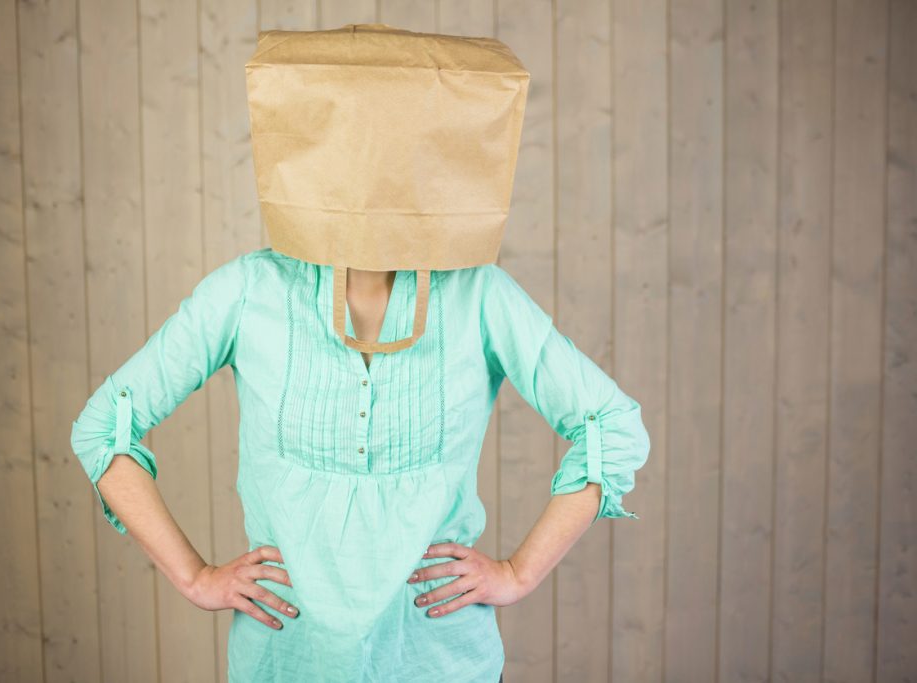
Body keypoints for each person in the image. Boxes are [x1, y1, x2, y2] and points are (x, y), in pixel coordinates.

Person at [69, 247, 651, 681]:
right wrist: (195, 578)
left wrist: (518, 572)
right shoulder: (249, 290)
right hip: (284, 663)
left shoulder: (479, 293)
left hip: (443, 664)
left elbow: (613, 426)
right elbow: (103, 428)